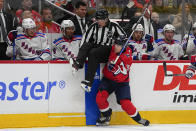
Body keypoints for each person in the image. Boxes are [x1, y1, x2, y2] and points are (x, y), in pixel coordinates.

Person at [95, 35, 150, 126]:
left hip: (121, 83)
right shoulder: (113, 48)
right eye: (115, 44)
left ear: (124, 46)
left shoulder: (127, 58)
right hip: (108, 80)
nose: (115, 46)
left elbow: (122, 77)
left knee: (126, 104)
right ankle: (107, 115)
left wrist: (114, 69)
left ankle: (139, 119)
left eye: (118, 45)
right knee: (100, 98)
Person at [72, 8, 126, 92]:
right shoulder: (94, 26)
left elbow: (124, 37)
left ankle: (88, 82)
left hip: (108, 50)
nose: (98, 21)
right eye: (97, 19)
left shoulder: (114, 25)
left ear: (106, 19)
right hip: (97, 48)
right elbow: (85, 39)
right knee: (87, 45)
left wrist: (119, 41)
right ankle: (78, 64)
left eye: (100, 19)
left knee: (93, 52)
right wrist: (82, 55)